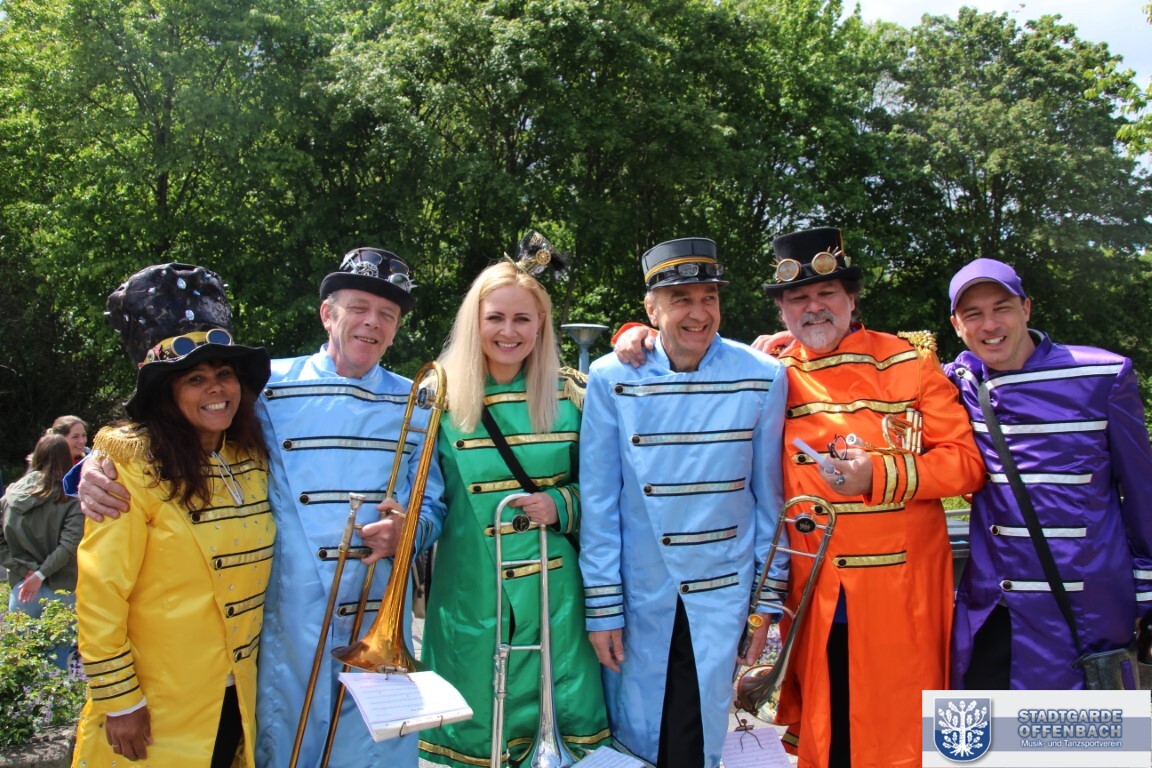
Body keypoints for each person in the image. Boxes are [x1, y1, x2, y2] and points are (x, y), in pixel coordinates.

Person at [614, 227, 985, 768]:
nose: (813, 307)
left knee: (900, 734)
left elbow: (967, 464)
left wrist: (879, 474)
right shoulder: (769, 369)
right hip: (813, 596)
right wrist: (638, 335)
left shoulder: (910, 362)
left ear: (851, 299)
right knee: (828, 733)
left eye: (827, 293)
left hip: (900, 596)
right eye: (797, 298)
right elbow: (691, 358)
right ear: (782, 311)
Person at [73, 247, 448, 768]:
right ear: (327, 314)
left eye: (388, 314)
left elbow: (433, 499)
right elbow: (173, 426)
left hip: (378, 606)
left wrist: (411, 531)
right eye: (359, 307)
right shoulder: (268, 387)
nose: (372, 322)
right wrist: (93, 463)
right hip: (288, 623)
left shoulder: (420, 402)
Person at [580, 237, 789, 768]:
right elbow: (600, 503)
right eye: (681, 300)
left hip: (723, 595)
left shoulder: (763, 375)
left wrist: (764, 603)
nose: (699, 313)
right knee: (639, 737)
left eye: (709, 298)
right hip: (640, 596)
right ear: (651, 310)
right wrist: (603, 607)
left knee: (702, 739)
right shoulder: (610, 377)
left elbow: (770, 501)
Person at [70, 262, 274, 767]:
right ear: (166, 392)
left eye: (224, 374)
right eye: (195, 378)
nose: (216, 389)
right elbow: (100, 595)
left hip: (237, 697)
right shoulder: (129, 466)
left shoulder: (251, 458)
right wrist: (120, 701)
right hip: (156, 707)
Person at [419, 246, 610, 768]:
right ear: (474, 321)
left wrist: (561, 503)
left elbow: (610, 492)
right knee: (479, 738)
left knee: (564, 729)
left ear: (541, 324)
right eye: (495, 318)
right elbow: (425, 500)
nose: (509, 331)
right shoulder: (437, 396)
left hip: (556, 595)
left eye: (523, 318)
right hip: (472, 593)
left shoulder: (573, 394)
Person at [945, 258, 1152, 689]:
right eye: (973, 314)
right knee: (980, 733)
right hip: (994, 613)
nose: (990, 325)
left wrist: (1147, 597)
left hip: (1088, 613)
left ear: (1026, 308)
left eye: (1001, 308)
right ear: (957, 325)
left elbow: (1142, 492)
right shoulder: (957, 382)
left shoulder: (1103, 375)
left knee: (1088, 734)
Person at [0, 433, 83, 628]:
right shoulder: (71, 498)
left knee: (23, 646)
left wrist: (25, 571)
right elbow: (69, 545)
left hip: (23, 589)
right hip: (61, 590)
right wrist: (40, 575)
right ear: (66, 458)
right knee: (61, 647)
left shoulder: (11, 494)